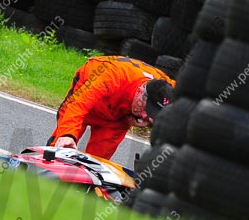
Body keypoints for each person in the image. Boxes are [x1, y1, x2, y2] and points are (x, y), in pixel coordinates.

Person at [47, 55, 176, 160]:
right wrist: (68, 134)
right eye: (146, 110)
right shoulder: (111, 76)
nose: (143, 116)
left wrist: (149, 122)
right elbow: (78, 104)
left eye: (151, 114)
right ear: (139, 92)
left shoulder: (170, 90)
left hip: (117, 119)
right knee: (59, 149)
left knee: (96, 164)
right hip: (88, 102)